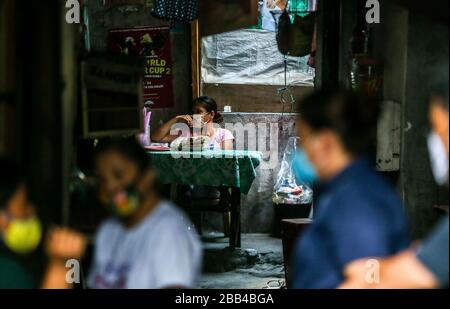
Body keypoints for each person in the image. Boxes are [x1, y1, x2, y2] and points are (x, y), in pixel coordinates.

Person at [290, 89, 410, 289]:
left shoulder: (358, 201)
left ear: (326, 142)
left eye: (303, 139)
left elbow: (370, 282)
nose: (301, 151)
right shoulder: (346, 189)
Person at [340, 82, 449, 289]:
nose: (438, 143)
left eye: (440, 130)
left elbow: (408, 275)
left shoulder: (368, 199)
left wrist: (369, 273)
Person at [88, 137, 202, 289]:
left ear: (147, 176)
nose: (110, 187)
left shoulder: (168, 230)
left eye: (119, 175)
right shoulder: (108, 230)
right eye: (102, 179)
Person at [0, 158, 86, 289]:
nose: (32, 210)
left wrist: (68, 263)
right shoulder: (8, 274)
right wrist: (59, 267)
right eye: (24, 204)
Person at [151, 96, 234, 150]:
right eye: (193, 112)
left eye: (199, 112)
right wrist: (176, 119)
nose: (194, 115)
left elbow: (226, 160)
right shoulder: (185, 133)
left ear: (211, 114)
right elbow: (156, 138)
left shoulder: (224, 134)